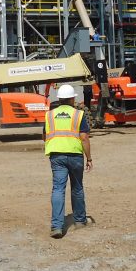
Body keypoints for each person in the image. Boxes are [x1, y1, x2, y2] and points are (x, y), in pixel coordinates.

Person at [44, 84, 93, 238]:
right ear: (72, 99)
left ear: (59, 99)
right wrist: (89, 158)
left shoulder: (50, 115)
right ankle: (79, 221)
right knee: (77, 188)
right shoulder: (78, 114)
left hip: (56, 156)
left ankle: (57, 227)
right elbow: (84, 137)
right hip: (75, 155)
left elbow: (45, 135)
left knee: (58, 189)